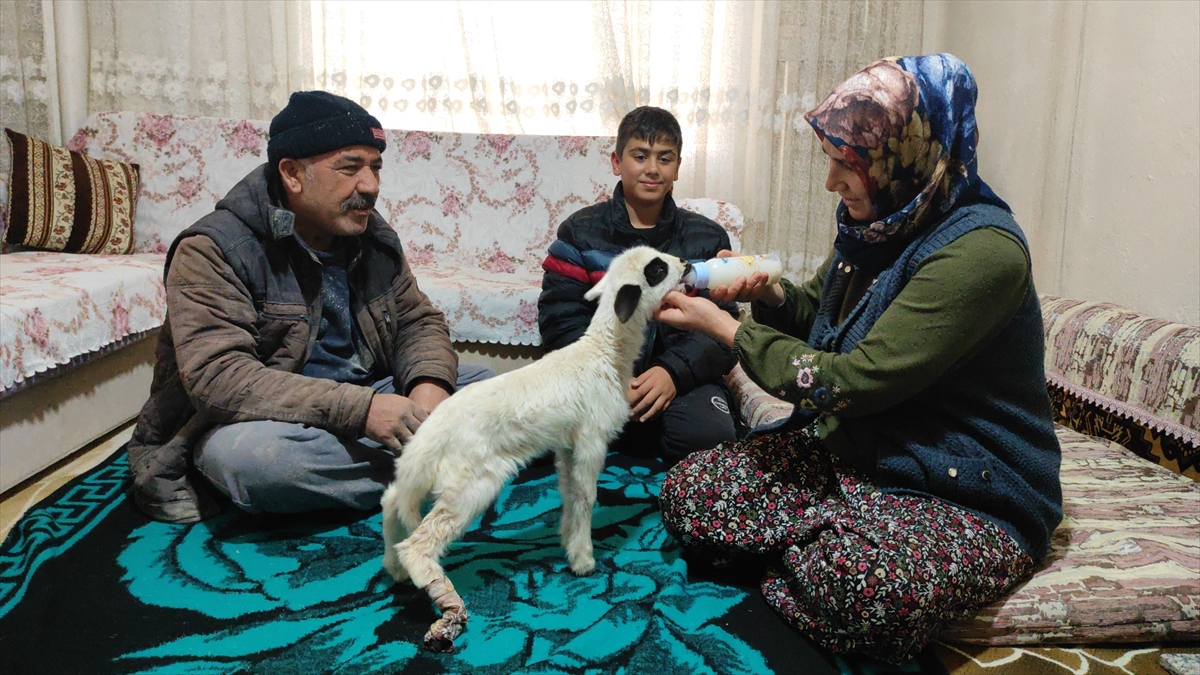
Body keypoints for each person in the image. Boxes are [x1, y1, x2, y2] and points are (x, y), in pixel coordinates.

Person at [651, 54, 1063, 662]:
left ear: (907, 154)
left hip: (965, 488)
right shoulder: (881, 222)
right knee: (695, 489)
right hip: (864, 455)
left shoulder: (982, 252)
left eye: (847, 166)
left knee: (856, 584)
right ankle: (832, 536)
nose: (831, 184)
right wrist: (768, 293)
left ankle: (825, 546)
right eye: (832, 162)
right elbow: (821, 316)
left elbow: (852, 380)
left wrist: (729, 333)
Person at [127, 91, 493, 524]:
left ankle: (429, 463)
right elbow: (219, 379)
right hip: (265, 421)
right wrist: (362, 412)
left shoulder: (369, 232)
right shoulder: (213, 249)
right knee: (261, 464)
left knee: (488, 388)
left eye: (376, 167)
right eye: (350, 167)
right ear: (292, 174)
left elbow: (416, 320)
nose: (371, 186)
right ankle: (449, 467)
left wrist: (428, 390)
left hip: (365, 397)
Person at [538, 106, 739, 467]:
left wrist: (671, 373)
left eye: (664, 158)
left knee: (712, 439)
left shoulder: (707, 238)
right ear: (617, 161)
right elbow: (559, 319)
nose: (652, 169)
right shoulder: (579, 233)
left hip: (679, 384)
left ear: (677, 166)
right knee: (536, 434)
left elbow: (722, 330)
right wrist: (610, 376)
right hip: (595, 379)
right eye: (640, 156)